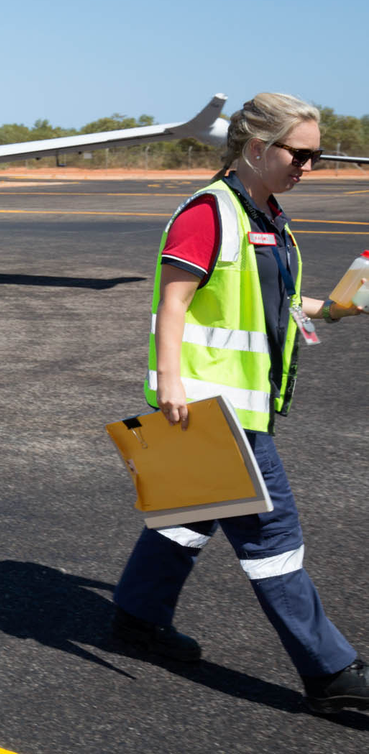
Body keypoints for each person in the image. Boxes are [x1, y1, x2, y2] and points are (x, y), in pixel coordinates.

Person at [111, 93, 369, 715]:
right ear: (256, 147)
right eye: (299, 153)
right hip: (211, 408)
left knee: (188, 518)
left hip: (233, 405)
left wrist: (332, 308)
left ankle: (136, 620)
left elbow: (272, 303)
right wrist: (171, 385)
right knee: (272, 537)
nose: (309, 166)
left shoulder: (266, 213)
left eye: (318, 156)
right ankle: (331, 671)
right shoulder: (210, 212)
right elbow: (173, 302)